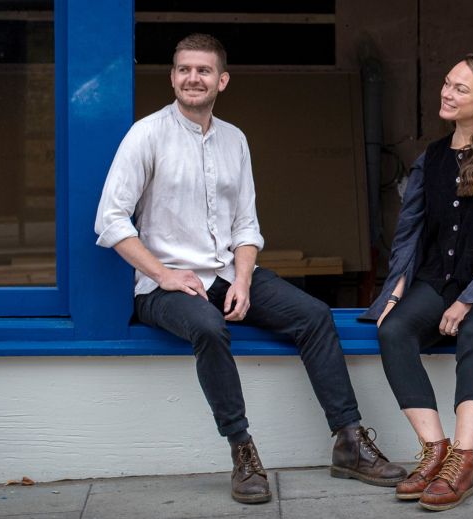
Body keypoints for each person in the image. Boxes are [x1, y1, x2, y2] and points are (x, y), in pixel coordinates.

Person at [94, 33, 406, 505]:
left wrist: (242, 279)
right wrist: (163, 275)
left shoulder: (234, 140)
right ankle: (243, 452)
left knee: (315, 316)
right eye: (183, 69)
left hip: (227, 274)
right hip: (167, 286)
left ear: (222, 79)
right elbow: (110, 220)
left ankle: (349, 443)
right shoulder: (147, 134)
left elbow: (246, 225)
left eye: (203, 70)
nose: (192, 78)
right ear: (173, 77)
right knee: (210, 327)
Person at [359, 54, 473, 512]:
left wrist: (470, 300)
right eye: (446, 83)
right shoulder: (431, 159)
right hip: (437, 280)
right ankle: (435, 449)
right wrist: (396, 289)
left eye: (460, 88)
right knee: (393, 330)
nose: (447, 92)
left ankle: (464, 459)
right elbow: (410, 233)